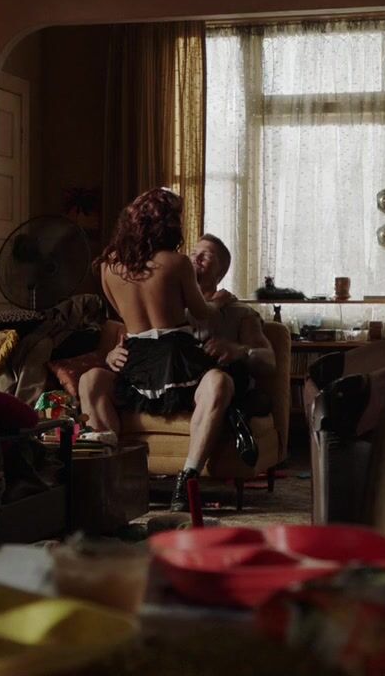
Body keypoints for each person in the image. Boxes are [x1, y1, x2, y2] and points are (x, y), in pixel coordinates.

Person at [82, 191, 275, 510]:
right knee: (90, 379)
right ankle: (114, 470)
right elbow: (197, 312)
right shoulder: (176, 266)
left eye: (206, 256)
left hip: (154, 365)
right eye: (194, 251)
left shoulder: (109, 267)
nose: (195, 257)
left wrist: (239, 349)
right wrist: (111, 354)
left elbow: (125, 318)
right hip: (168, 360)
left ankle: (186, 479)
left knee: (221, 382)